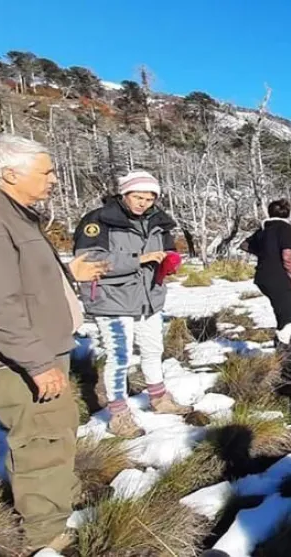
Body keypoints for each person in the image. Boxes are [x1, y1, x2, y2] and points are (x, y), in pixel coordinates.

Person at [0, 134, 109, 553]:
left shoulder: (14, 216)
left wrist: (68, 273)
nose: (55, 179)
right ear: (10, 174)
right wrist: (37, 363)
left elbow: (20, 280)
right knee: (40, 440)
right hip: (19, 356)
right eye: (48, 171)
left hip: (37, 346)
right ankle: (45, 532)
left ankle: (60, 495)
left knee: (56, 428)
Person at [73, 170, 192, 438]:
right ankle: (119, 414)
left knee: (153, 349)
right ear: (124, 194)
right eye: (138, 197)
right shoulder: (98, 221)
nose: (143, 203)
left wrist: (170, 260)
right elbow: (89, 260)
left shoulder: (158, 221)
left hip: (149, 296)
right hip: (112, 298)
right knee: (120, 356)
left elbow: (168, 247)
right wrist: (138, 259)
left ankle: (159, 398)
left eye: (150, 199)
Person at [240, 199, 291, 330]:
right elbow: (287, 255)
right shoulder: (285, 228)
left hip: (262, 277)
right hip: (278, 278)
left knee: (282, 315)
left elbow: (245, 245)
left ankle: (281, 345)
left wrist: (266, 254)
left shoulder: (264, 229)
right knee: (288, 320)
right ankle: (287, 348)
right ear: (288, 213)